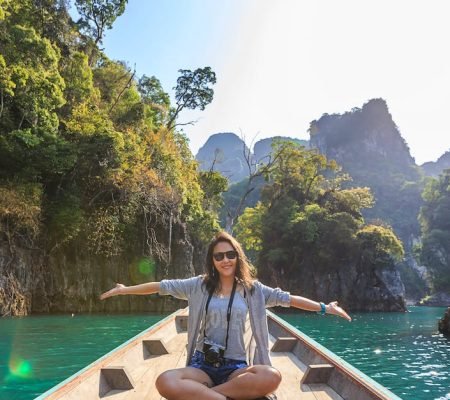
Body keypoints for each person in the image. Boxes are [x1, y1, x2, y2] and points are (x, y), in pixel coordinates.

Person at [100, 231, 351, 400]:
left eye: (230, 254)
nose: (225, 260)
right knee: (164, 381)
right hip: (202, 365)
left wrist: (325, 308)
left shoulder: (254, 290)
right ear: (212, 260)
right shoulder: (197, 286)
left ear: (237, 257)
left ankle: (206, 395)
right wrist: (124, 290)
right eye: (219, 256)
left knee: (271, 376)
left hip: (235, 367)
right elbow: (159, 285)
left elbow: (290, 299)